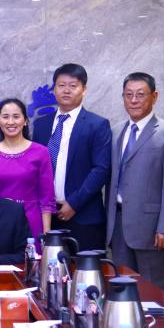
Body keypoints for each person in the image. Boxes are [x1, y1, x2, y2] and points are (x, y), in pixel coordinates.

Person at [105, 73, 164, 295]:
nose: (134, 100)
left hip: (153, 230)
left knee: (155, 294)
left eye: (140, 95)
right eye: (128, 95)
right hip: (119, 227)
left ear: (154, 96)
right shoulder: (115, 131)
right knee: (123, 294)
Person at [31, 63, 111, 251]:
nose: (66, 90)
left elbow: (101, 169)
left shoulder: (97, 125)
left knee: (85, 268)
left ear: (84, 89)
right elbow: (36, 168)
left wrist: (74, 203)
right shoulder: (42, 125)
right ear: (54, 89)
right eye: (61, 85)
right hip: (47, 217)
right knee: (48, 267)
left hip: (83, 217)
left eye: (73, 86)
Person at [0, 98, 55, 240]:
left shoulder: (40, 152)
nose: (11, 122)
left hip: (31, 221)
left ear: (25, 121)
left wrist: (46, 235)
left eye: (16, 116)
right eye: (5, 117)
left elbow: (47, 198)